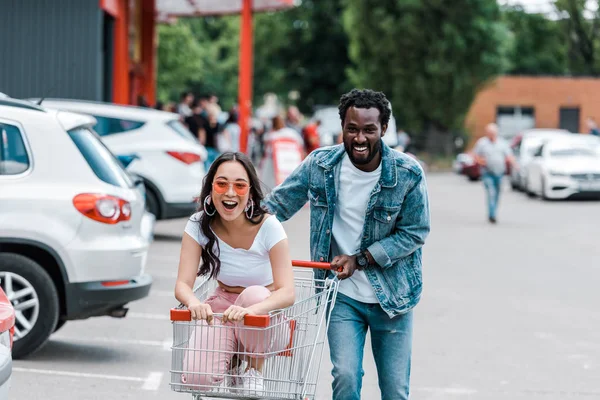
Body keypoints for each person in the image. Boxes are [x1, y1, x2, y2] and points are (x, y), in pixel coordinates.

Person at [262, 88, 431, 400]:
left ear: (384, 128)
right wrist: (226, 217)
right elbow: (276, 206)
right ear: (342, 127)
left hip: (394, 298)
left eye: (369, 129)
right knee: (345, 376)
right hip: (342, 296)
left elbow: (415, 232)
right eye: (352, 129)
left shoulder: (408, 173)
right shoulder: (320, 165)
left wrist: (361, 258)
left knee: (395, 390)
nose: (360, 138)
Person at [174, 152, 295, 394]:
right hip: (222, 310)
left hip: (265, 317)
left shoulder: (268, 226)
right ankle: (233, 362)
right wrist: (194, 303)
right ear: (211, 189)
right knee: (198, 380)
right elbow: (182, 285)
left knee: (253, 295)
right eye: (222, 184)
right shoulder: (198, 225)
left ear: (250, 192)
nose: (230, 193)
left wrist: (251, 311)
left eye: (239, 186)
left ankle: (253, 369)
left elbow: (288, 292)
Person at [473, 123, 516, 224]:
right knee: (491, 193)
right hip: (487, 172)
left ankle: (494, 211)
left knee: (497, 194)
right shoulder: (482, 143)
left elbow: (509, 156)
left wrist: (515, 165)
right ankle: (492, 215)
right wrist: (481, 161)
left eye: (493, 133)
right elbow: (475, 156)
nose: (491, 134)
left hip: (500, 173)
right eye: (489, 133)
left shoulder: (502, 143)